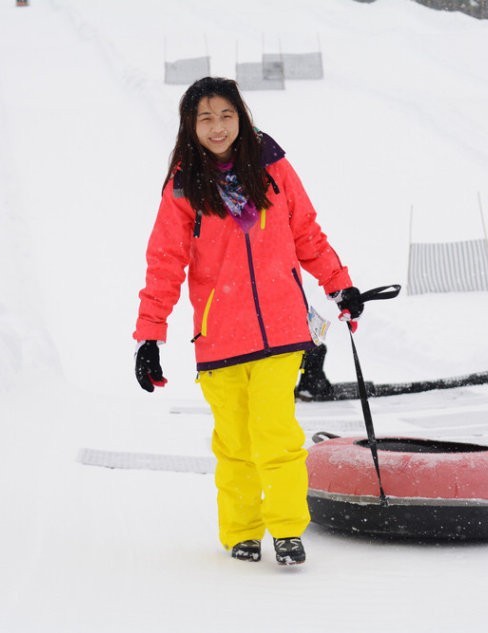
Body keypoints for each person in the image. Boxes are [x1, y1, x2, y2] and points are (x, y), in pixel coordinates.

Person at [133, 77, 363, 566]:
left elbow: (306, 232)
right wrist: (150, 336)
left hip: (281, 331)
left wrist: (339, 285)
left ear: (240, 116)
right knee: (235, 445)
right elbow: (165, 263)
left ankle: (287, 530)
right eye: (205, 118)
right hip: (219, 339)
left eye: (226, 115)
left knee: (277, 437)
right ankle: (241, 531)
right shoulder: (183, 185)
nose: (217, 127)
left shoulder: (272, 167)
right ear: (190, 125)